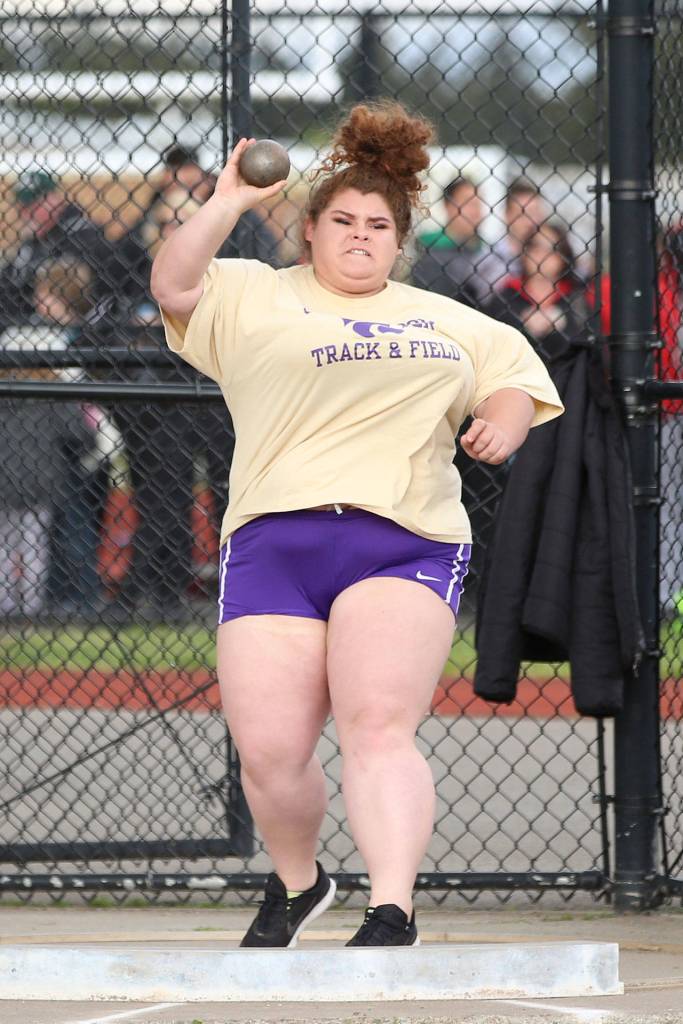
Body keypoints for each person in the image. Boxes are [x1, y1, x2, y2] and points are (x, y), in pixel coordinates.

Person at [150, 101, 563, 947]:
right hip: (274, 539)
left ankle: (391, 908)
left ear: (399, 239)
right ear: (309, 230)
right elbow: (172, 283)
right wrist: (227, 200)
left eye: (378, 224)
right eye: (342, 220)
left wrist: (506, 420)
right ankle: (302, 885)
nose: (361, 235)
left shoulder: (445, 317)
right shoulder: (251, 294)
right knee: (269, 752)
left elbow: (514, 380)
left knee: (376, 724)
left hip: (403, 539)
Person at [486, 221, 590, 361]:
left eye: (553, 249)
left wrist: (561, 323)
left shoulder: (577, 299)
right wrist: (521, 323)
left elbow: (589, 346)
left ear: (564, 257)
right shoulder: (505, 297)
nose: (543, 256)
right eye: (536, 247)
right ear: (525, 253)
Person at [411, 176, 498, 307]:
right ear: (448, 206)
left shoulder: (488, 249)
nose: (476, 211)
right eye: (469, 203)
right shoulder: (430, 248)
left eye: (479, 204)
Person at [485, 178, 549, 292]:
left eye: (535, 212)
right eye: (523, 214)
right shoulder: (490, 260)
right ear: (507, 215)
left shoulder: (555, 255)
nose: (531, 221)